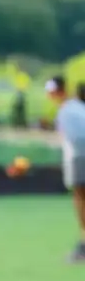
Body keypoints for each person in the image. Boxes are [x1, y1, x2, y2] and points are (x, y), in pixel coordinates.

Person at [45, 74, 85, 262]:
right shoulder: (76, 107)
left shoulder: (67, 110)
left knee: (80, 198)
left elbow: (77, 138)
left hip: (79, 157)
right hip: (78, 156)